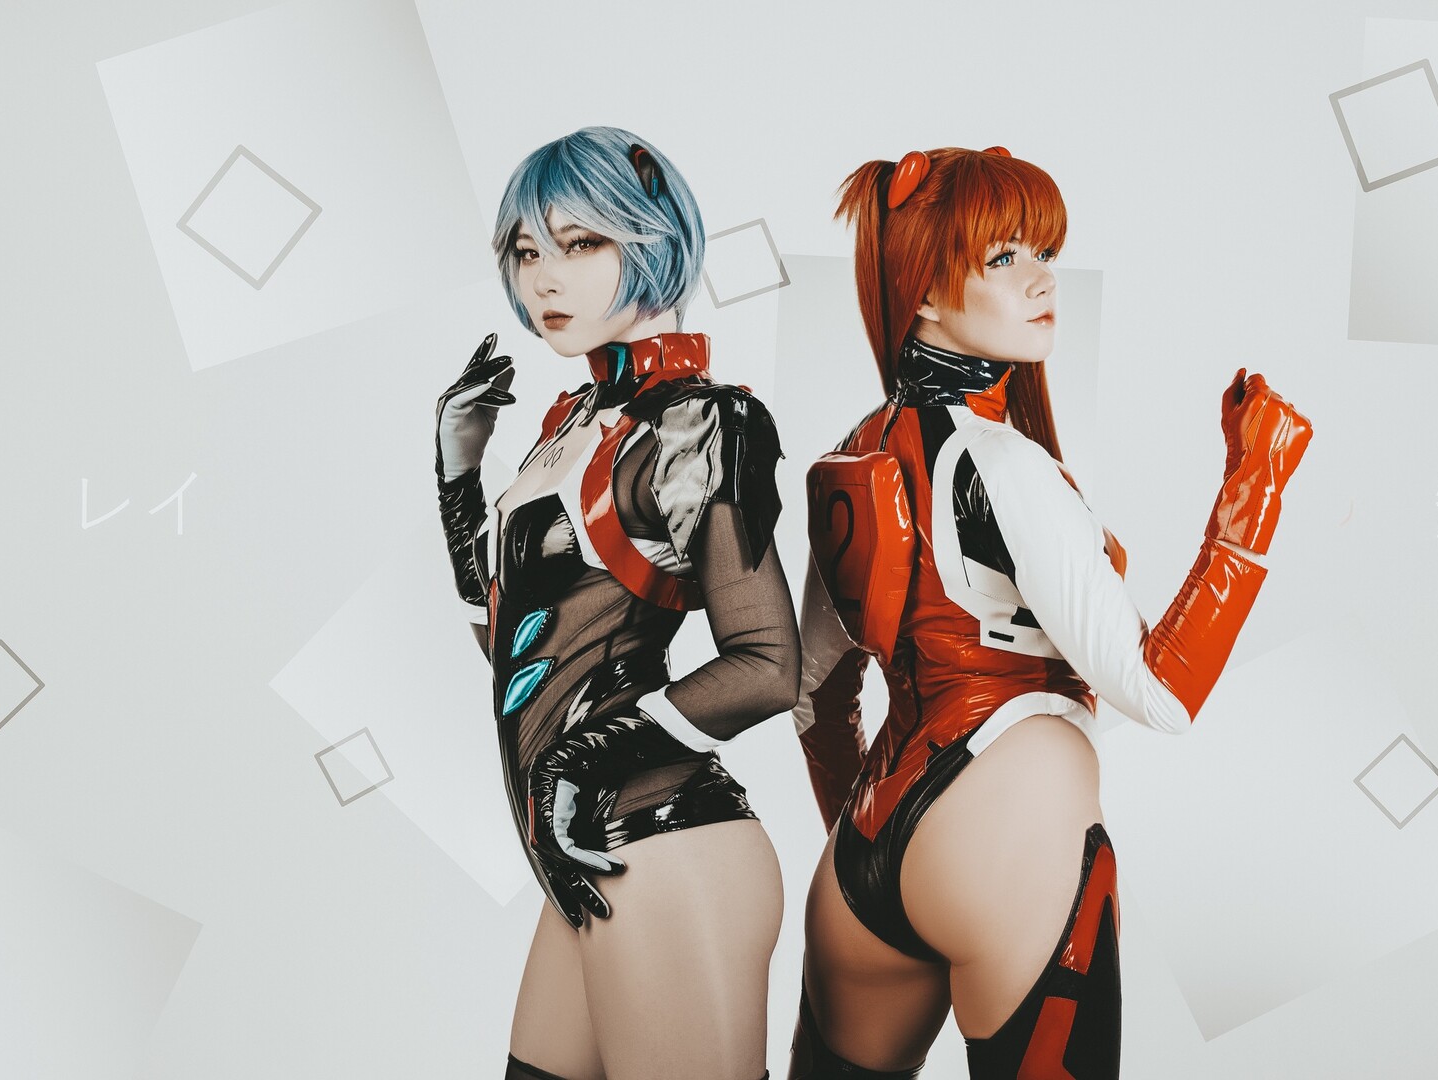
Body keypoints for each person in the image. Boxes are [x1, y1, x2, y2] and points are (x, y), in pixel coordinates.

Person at [789, 145, 1313, 1079]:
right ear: (923, 291)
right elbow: (1160, 692)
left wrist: (893, 858)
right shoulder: (1005, 464)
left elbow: (813, 700)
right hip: (1011, 840)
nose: (1042, 281)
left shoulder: (852, 456)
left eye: (1046, 254)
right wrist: (1255, 483)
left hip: (860, 865)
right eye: (1004, 258)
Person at [433, 126, 797, 1080]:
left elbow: (767, 666)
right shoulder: (574, 424)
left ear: (652, 238)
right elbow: (520, 655)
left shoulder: (702, 423)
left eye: (581, 242)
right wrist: (458, 481)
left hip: (664, 846)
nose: (545, 277)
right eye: (526, 251)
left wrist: (579, 759)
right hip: (587, 852)